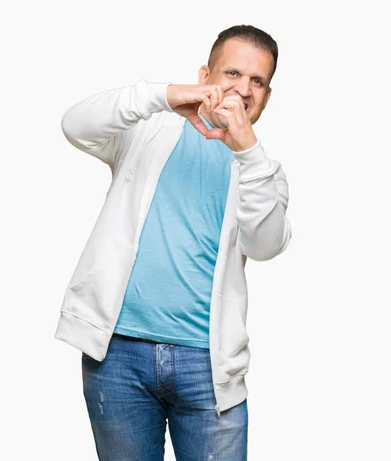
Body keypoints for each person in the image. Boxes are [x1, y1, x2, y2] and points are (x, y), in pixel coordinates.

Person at [54, 24, 292, 460]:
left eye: (257, 81)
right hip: (118, 357)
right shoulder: (147, 131)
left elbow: (267, 245)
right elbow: (75, 125)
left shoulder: (263, 172)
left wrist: (249, 152)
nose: (243, 88)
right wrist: (163, 96)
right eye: (232, 73)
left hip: (208, 368)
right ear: (205, 76)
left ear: (267, 97)